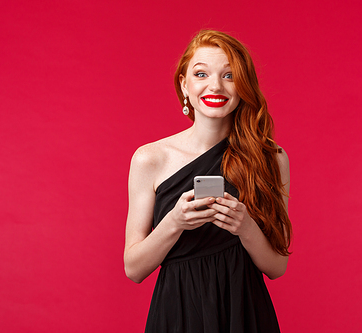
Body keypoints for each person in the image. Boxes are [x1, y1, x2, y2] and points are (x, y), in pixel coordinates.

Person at [124, 29, 292, 333]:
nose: (215, 85)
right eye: (201, 74)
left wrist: (245, 227)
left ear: (244, 86)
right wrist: (175, 221)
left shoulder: (272, 157)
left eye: (229, 76)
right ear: (184, 85)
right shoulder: (150, 159)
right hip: (178, 313)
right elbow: (133, 269)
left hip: (244, 311)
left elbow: (277, 267)